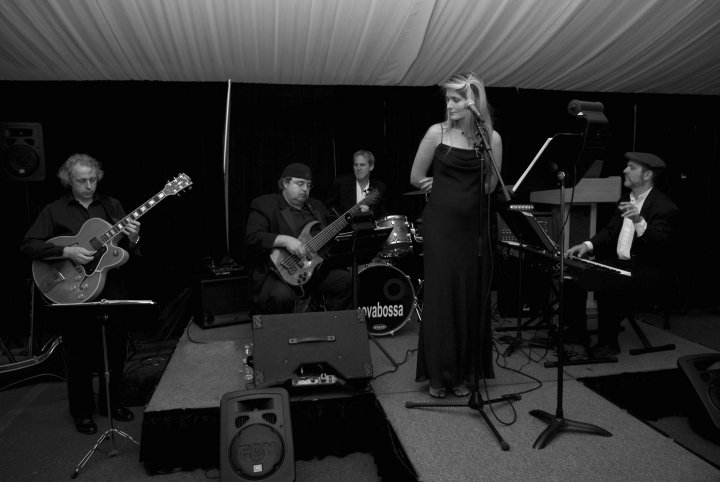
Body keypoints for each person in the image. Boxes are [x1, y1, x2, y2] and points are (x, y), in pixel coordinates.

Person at [20, 153, 140, 434]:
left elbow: (124, 250)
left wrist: (134, 238)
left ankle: (111, 404)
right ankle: (82, 412)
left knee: (116, 349)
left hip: (110, 286)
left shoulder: (112, 205)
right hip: (71, 290)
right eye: (81, 180)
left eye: (92, 180)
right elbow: (28, 246)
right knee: (78, 353)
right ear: (68, 181)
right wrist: (66, 251)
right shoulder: (54, 210)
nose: (88, 186)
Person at [409, 72, 502, 398]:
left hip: (473, 230)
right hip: (441, 228)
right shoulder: (436, 133)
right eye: (447, 99)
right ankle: (439, 375)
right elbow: (415, 176)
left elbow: (491, 186)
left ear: (473, 102)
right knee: (442, 298)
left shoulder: (491, 138)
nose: (449, 105)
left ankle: (464, 374)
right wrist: (437, 184)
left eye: (456, 99)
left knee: (469, 297)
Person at [565, 152, 679, 357]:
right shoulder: (625, 198)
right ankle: (578, 335)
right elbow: (610, 230)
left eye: (632, 167)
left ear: (647, 175)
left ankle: (608, 344)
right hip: (618, 263)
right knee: (571, 276)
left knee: (607, 282)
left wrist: (639, 220)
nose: (625, 170)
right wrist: (587, 245)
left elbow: (661, 245)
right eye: (627, 166)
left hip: (643, 270)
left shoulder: (665, 207)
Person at [245, 162, 353, 315]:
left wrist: (356, 220)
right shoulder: (265, 204)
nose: (305, 189)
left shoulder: (318, 207)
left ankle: (333, 324)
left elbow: (331, 236)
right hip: (278, 272)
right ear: (285, 183)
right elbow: (252, 237)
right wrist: (285, 240)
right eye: (300, 184)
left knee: (347, 281)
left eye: (308, 185)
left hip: (313, 270)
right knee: (281, 297)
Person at [326, 149, 388, 218]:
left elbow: (383, 216)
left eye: (362, 165)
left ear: (371, 167)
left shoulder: (379, 188)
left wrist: (369, 214)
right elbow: (328, 208)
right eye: (356, 165)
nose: (358, 168)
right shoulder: (341, 184)